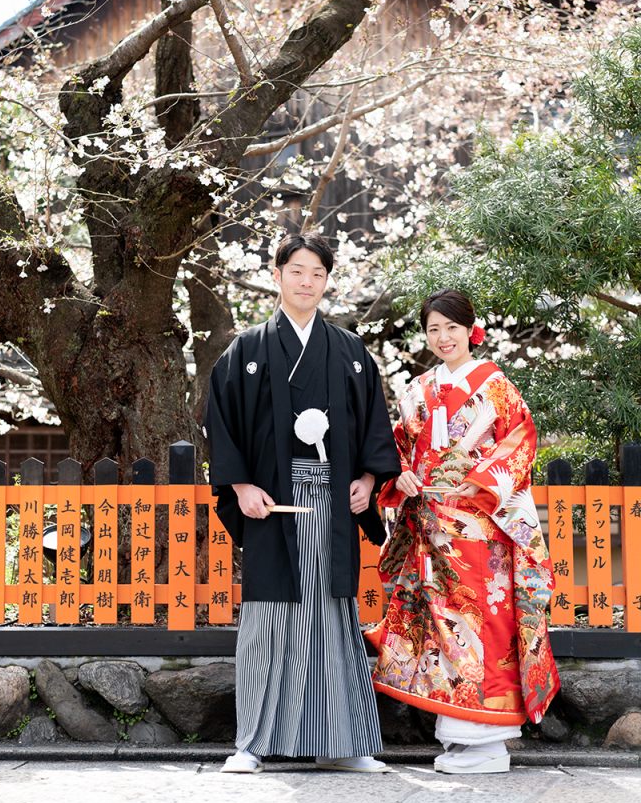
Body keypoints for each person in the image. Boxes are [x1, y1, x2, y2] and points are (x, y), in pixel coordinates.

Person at [204, 232, 402, 774]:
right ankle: (252, 745)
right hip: (272, 503)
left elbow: (373, 421)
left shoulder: (348, 350)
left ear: (326, 280)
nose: (307, 281)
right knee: (270, 621)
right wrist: (241, 486)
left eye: (317, 272)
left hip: (334, 500)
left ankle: (341, 743)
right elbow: (221, 424)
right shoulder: (246, 350)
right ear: (277, 274)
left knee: (333, 616)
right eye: (297, 270)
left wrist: (367, 478)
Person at [369, 288, 560, 775]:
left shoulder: (495, 385)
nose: (442, 337)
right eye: (433, 329)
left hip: (480, 527)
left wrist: (473, 483)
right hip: (431, 528)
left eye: (451, 327)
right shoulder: (419, 388)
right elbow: (397, 452)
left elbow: (520, 442)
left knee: (483, 624)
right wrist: (401, 477)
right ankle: (459, 735)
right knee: (441, 629)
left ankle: (490, 743)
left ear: (470, 329)